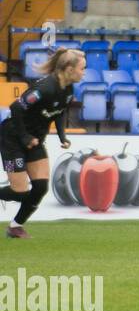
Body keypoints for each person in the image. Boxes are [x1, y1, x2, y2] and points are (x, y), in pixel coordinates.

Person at [0, 48, 85, 238]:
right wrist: (24, 137)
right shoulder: (44, 88)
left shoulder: (68, 89)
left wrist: (62, 136)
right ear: (69, 69)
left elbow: (60, 111)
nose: (84, 72)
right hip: (13, 139)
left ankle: (15, 227)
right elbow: (16, 107)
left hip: (35, 140)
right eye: (82, 68)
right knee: (20, 191)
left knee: (40, 187)